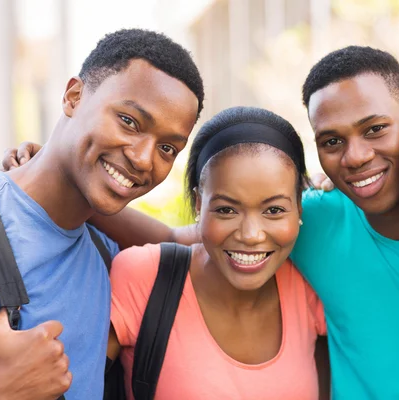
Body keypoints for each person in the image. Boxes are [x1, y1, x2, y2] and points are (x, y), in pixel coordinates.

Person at [5, 46, 399, 399]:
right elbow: (193, 238)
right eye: (332, 141)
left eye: (375, 129)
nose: (355, 157)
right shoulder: (317, 223)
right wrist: (57, 179)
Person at [0, 28, 203, 399]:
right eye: (129, 121)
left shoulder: (107, 255)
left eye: (167, 147)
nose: (143, 158)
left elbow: (194, 239)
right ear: (74, 97)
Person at [107, 106, 328, 399]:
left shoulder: (311, 283)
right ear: (199, 205)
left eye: (274, 210)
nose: (250, 235)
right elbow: (70, 383)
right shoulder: (143, 276)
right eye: (226, 209)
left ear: (299, 207)